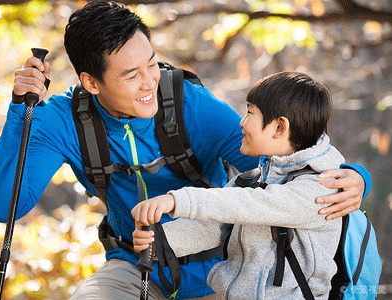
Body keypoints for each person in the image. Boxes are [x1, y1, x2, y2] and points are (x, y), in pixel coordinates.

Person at [0, 1, 370, 299]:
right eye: (131, 76)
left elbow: (283, 161)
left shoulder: (189, 105)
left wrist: (355, 176)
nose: (149, 81)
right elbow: (4, 206)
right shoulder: (61, 120)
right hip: (137, 267)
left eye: (151, 64)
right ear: (91, 82)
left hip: (225, 266)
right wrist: (21, 112)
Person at [132, 71, 346, 299]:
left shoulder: (320, 189)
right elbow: (218, 225)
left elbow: (251, 205)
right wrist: (160, 241)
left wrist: (178, 200)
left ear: (279, 128)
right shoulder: (254, 180)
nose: (241, 123)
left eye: (250, 113)